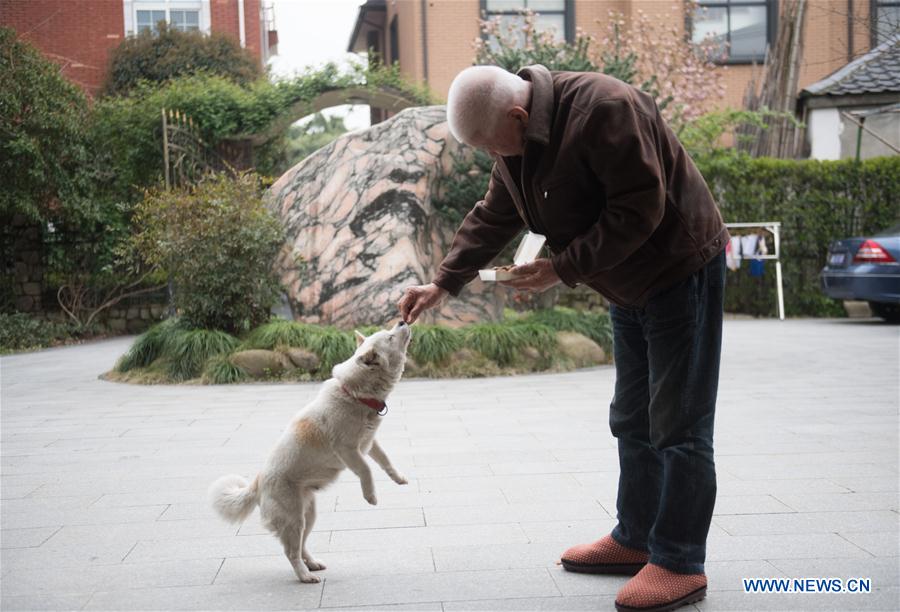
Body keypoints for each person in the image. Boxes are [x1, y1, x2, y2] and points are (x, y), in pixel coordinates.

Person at [397, 64, 727, 612]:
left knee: (679, 422)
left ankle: (679, 560)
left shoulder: (605, 110)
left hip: (678, 272)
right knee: (632, 417)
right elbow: (494, 214)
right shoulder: (516, 146)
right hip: (624, 284)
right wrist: (443, 283)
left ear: (518, 115)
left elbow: (639, 208)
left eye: (489, 144)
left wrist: (562, 268)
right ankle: (635, 537)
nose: (490, 157)